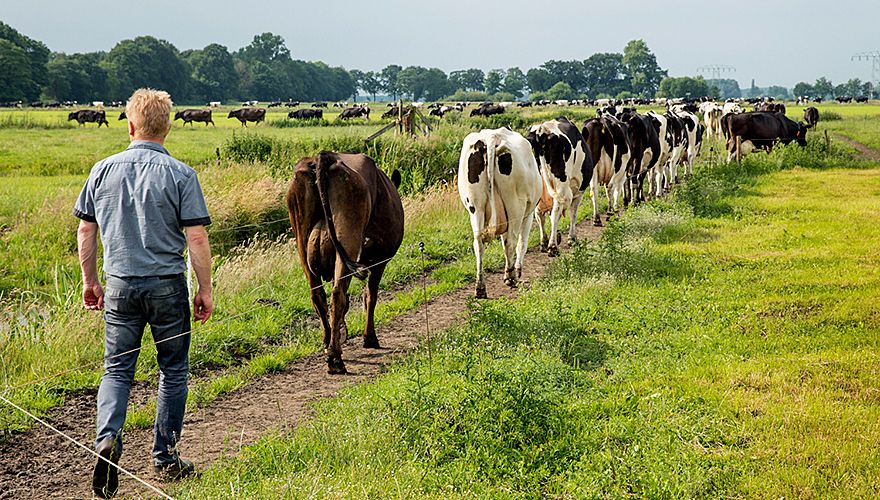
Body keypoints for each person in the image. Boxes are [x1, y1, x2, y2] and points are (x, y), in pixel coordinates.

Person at [74, 88, 214, 498]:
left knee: (117, 370)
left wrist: (90, 281)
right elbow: (197, 237)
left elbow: (86, 228)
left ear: (130, 126)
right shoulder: (182, 175)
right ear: (167, 128)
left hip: (119, 283)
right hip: (167, 285)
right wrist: (204, 288)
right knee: (173, 370)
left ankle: (107, 438)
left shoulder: (101, 170)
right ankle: (165, 456)